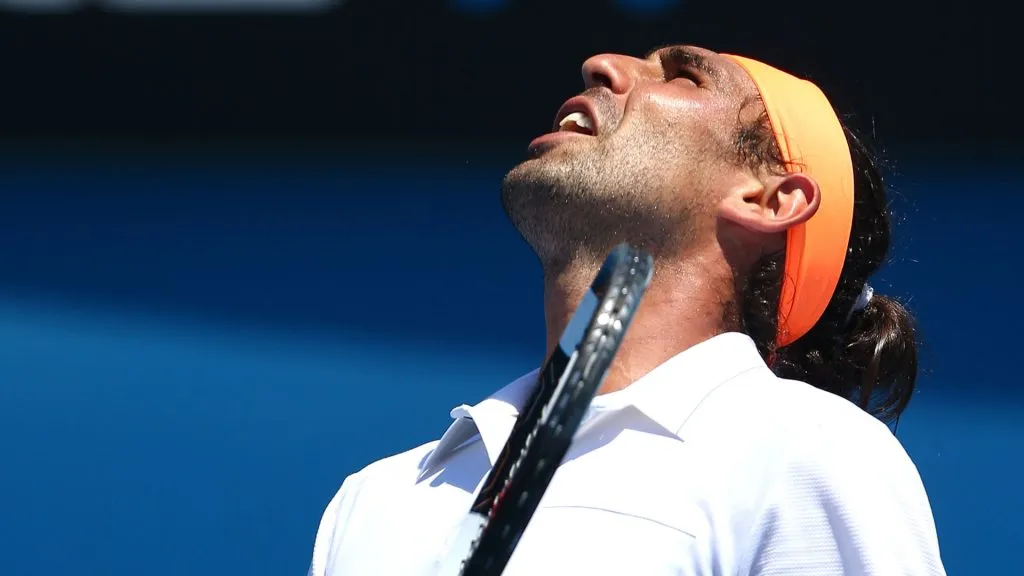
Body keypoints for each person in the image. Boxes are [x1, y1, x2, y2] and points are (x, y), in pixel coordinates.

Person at [307, 45, 946, 575]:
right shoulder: (377, 496)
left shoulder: (809, 454)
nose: (600, 65)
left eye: (683, 75)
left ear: (770, 199)